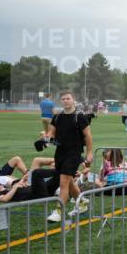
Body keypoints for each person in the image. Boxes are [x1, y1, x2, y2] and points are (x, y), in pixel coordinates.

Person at [41, 90, 93, 222]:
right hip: (59, 153)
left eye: (68, 98)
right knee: (68, 181)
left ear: (73, 99)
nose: (65, 101)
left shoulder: (80, 116)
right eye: (63, 99)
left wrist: (89, 153)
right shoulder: (58, 116)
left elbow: (87, 135)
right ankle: (81, 203)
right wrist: (45, 139)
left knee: (63, 182)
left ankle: (58, 212)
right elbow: (52, 133)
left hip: (74, 153)